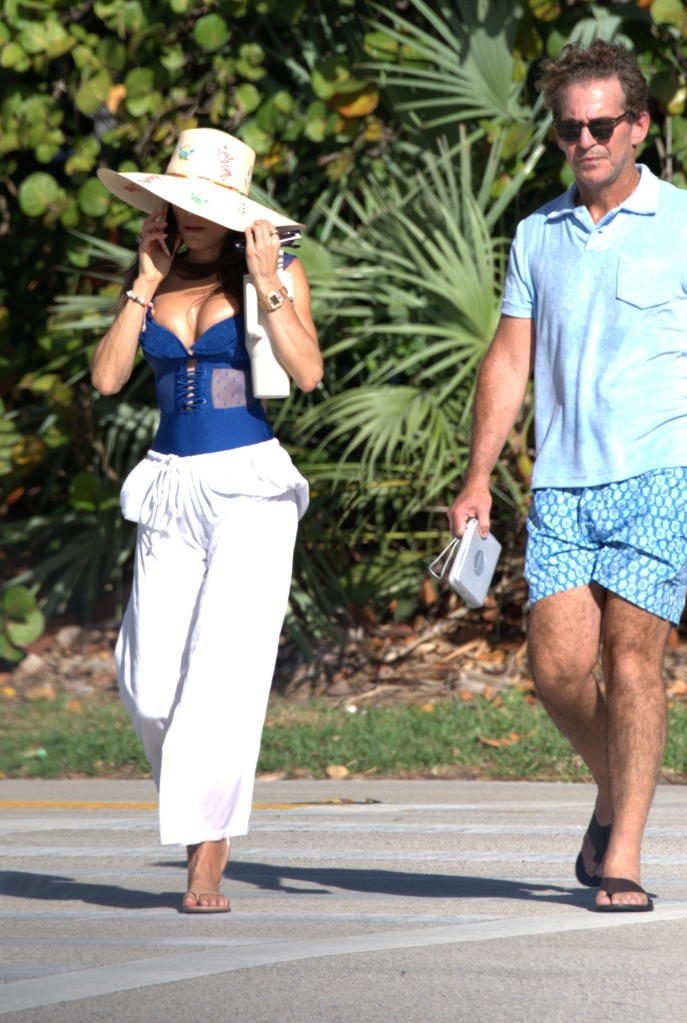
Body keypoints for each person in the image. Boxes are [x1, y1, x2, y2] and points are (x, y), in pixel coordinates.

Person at [447, 41, 687, 911]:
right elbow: (510, 359)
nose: (585, 140)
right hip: (564, 483)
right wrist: (478, 477)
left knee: (630, 661)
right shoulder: (538, 233)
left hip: (662, 469)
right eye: (569, 126)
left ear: (640, 127)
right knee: (555, 667)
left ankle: (622, 853)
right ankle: (617, 785)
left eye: (602, 124)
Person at [93, 128, 322, 913]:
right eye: (175, 203)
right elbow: (108, 376)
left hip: (250, 489)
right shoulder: (152, 280)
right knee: (147, 680)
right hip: (170, 485)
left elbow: (307, 369)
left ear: (233, 215)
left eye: (199, 207)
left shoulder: (277, 270)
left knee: (221, 674)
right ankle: (202, 812)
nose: (182, 217)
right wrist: (143, 279)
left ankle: (207, 855)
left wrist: (268, 283)